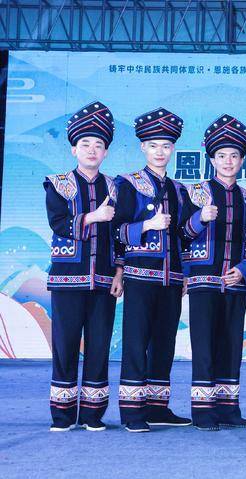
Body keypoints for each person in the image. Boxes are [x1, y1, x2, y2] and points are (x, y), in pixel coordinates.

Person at [45, 101, 124, 431]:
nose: (92, 150)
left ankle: (92, 414)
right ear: (74, 149)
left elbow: (120, 234)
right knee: (65, 347)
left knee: (99, 346)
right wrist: (93, 216)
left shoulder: (115, 187)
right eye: (85, 144)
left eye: (98, 145)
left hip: (104, 280)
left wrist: (119, 272)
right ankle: (62, 415)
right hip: (67, 279)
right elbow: (58, 224)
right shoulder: (57, 184)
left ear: (106, 152)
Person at [113, 107, 192, 432]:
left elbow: (184, 236)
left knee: (164, 342)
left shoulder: (179, 190)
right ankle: (132, 412)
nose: (160, 152)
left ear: (173, 149)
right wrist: (147, 225)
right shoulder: (127, 184)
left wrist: (185, 274)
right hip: (139, 277)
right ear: (143, 147)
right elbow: (116, 231)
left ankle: (157, 407)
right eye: (154, 145)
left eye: (166, 146)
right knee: (136, 342)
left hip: (172, 279)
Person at [180, 114, 246, 430]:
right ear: (211, 159)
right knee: (204, 345)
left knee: (232, 345)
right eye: (221, 155)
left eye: (234, 155)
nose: (228, 161)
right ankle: (202, 411)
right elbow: (180, 236)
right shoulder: (194, 193)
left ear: (242, 160)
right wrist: (199, 219)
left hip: (235, 284)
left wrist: (244, 269)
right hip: (203, 282)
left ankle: (228, 409)